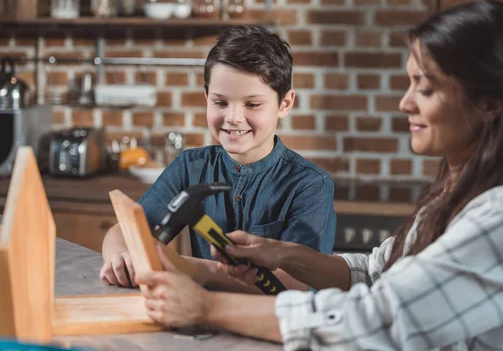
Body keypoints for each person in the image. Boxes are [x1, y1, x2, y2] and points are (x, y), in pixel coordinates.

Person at [136, 0, 503, 350]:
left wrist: (207, 308)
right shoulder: (464, 194)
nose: (405, 103)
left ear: (490, 103)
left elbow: (378, 320)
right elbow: (376, 271)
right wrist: (280, 253)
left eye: (426, 87)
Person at [100, 26, 337, 290]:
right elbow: (123, 231)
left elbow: (298, 283)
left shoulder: (310, 185)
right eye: (220, 102)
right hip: (199, 317)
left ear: (285, 104)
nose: (233, 117)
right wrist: (120, 255)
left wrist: (186, 268)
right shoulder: (190, 168)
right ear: (206, 98)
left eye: (252, 104)